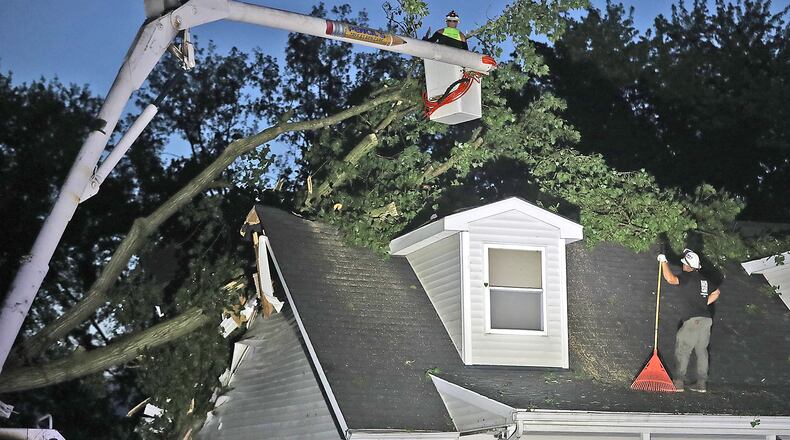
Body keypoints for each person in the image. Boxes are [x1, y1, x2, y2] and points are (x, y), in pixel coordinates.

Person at [657, 249, 721, 393]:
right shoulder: (704, 280)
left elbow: (670, 279)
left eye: (684, 264)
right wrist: (704, 304)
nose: (683, 266)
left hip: (693, 321)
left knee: (683, 349)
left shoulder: (687, 278)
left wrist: (664, 262)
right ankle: (701, 384)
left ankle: (678, 383)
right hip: (706, 320)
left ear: (688, 265)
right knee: (701, 351)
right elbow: (717, 292)